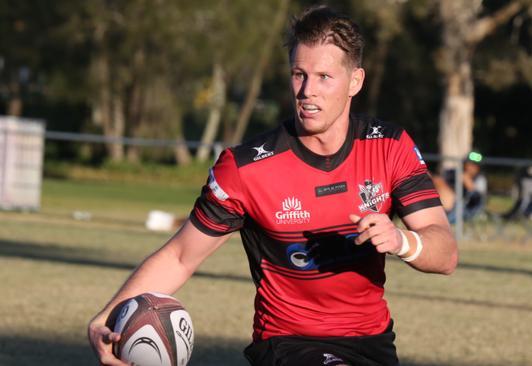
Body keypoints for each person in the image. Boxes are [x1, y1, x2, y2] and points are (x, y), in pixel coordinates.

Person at [87, 5, 457, 366]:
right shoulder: (245, 168)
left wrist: (402, 240)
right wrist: (106, 317)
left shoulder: (389, 147)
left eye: (324, 77)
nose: (307, 90)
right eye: (299, 74)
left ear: (355, 82)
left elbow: (445, 254)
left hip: (372, 343)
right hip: (287, 345)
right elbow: (181, 256)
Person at [430, 151, 487, 224]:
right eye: (468, 163)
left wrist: (469, 185)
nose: (469, 167)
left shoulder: (479, 180)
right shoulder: (454, 173)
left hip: (460, 209)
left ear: (478, 168)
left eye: (473, 165)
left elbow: (478, 201)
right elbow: (442, 178)